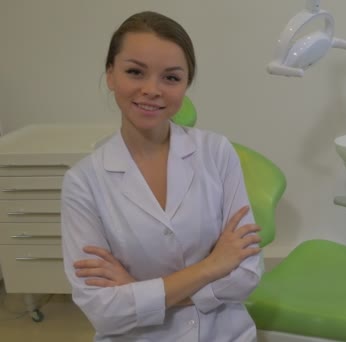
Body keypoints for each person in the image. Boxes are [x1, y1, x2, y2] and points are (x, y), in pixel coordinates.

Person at [61, 11, 262, 342]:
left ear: (186, 84)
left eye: (171, 78)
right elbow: (103, 311)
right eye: (135, 72)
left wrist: (137, 293)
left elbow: (247, 274)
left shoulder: (216, 151)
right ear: (110, 74)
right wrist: (212, 266)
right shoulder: (83, 182)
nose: (152, 89)